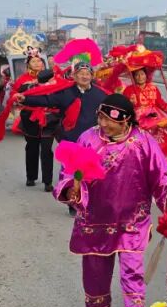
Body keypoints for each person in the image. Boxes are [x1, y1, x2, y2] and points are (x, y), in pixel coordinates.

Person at [55, 94, 167, 307]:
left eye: (109, 120)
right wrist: (71, 188)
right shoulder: (88, 138)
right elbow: (69, 171)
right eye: (101, 118)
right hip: (95, 218)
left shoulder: (143, 142)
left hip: (132, 219)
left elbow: (161, 175)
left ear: (125, 121)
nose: (103, 124)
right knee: (95, 270)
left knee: (133, 272)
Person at [18, 61, 108, 215]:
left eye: (87, 73)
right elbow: (46, 100)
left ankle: (91, 202)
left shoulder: (100, 95)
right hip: (71, 139)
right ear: (74, 76)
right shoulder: (66, 93)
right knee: (74, 174)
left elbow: (112, 110)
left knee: (91, 173)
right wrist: (25, 99)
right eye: (81, 73)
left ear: (92, 76)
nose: (84, 76)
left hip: (93, 141)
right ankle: (73, 203)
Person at [17, 57, 58, 190]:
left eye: (39, 61)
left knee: (47, 150)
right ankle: (31, 176)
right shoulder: (24, 80)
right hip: (30, 119)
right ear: (28, 65)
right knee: (32, 147)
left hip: (49, 119)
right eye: (33, 61)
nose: (37, 63)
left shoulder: (54, 78)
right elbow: (18, 93)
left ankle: (48, 182)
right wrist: (34, 84)